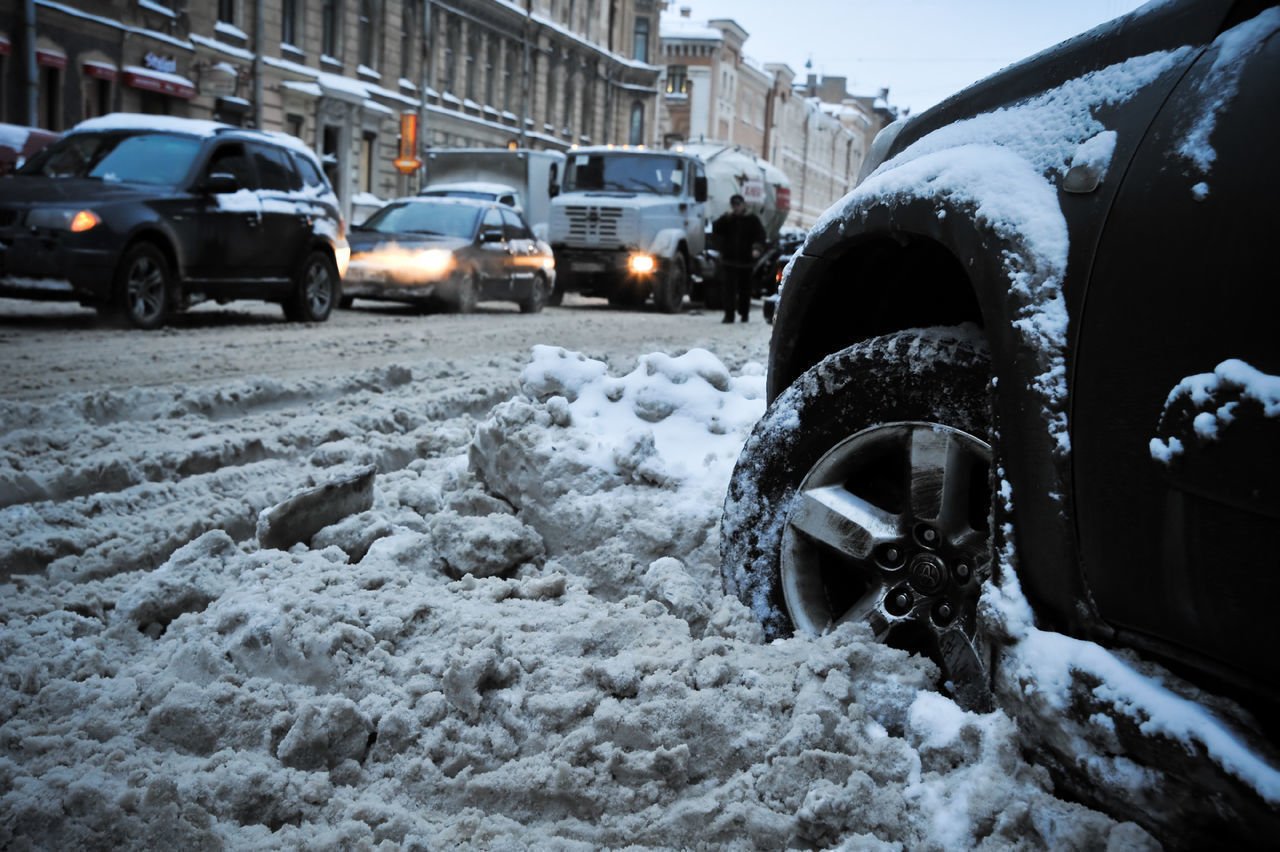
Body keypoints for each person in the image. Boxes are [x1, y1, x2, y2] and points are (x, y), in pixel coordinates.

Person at [711, 194, 766, 323]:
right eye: (734, 205)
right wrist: (725, 217)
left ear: (743, 205)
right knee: (728, 290)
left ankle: (744, 313)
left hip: (746, 262)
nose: (736, 208)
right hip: (729, 261)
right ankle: (729, 315)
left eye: (738, 205)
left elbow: (760, 235)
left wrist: (756, 248)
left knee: (745, 290)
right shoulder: (728, 219)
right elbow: (716, 229)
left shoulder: (752, 219)